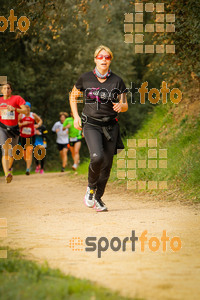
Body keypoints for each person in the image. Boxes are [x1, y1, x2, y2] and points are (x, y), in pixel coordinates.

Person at [70, 45, 128, 212]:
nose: (104, 59)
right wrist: (75, 116)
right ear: (95, 59)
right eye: (101, 57)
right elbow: (73, 96)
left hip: (111, 126)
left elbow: (125, 105)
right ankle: (90, 188)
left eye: (107, 57)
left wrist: (120, 106)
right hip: (91, 124)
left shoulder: (117, 81)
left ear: (110, 60)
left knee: (107, 165)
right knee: (97, 157)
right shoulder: (85, 78)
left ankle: (98, 198)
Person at [0, 82, 27, 183]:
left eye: (8, 88)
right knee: (5, 150)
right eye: (4, 88)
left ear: (11, 90)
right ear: (1, 90)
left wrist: (15, 109)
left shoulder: (17, 98)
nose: (6, 90)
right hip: (2, 127)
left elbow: (25, 111)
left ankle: (9, 168)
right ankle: (7, 174)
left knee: (12, 154)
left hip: (14, 129)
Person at [18, 102, 42, 175]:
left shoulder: (33, 115)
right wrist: (22, 124)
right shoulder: (21, 115)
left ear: (30, 108)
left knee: (29, 151)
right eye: (25, 107)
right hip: (22, 136)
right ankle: (29, 163)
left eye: (28, 107)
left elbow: (40, 120)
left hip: (31, 135)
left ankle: (27, 169)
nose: (27, 108)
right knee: (24, 154)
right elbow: (17, 124)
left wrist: (38, 125)